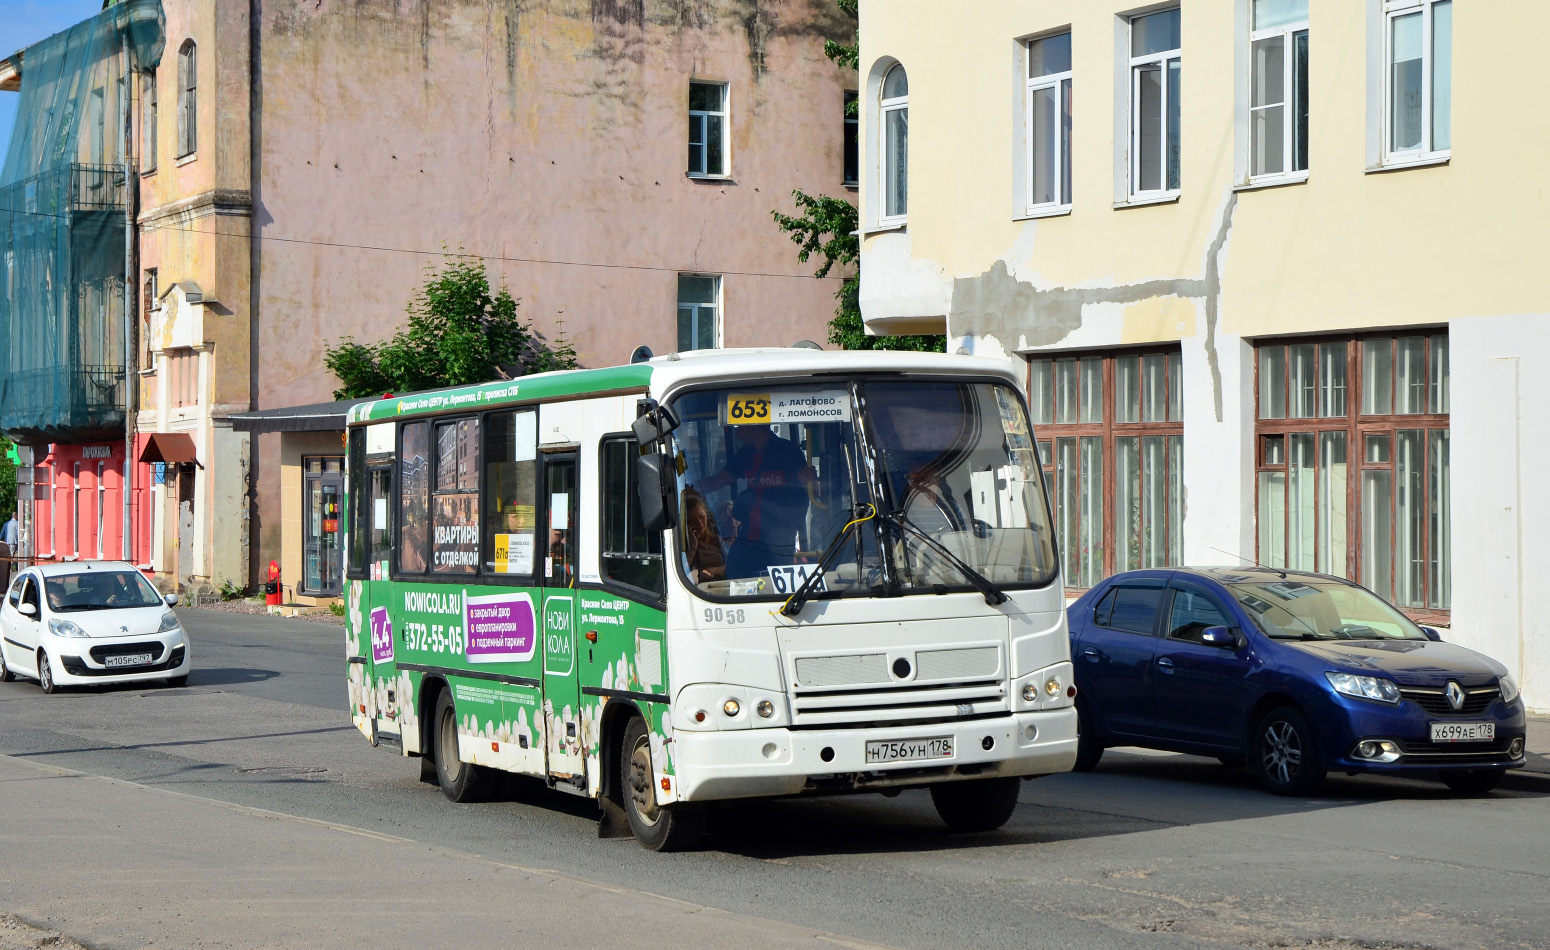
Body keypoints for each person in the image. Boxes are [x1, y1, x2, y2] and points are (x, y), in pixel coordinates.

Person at [692, 424, 814, 579]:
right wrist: (686, 488)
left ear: (754, 427)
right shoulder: (746, 455)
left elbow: (805, 486)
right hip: (749, 535)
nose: (737, 433)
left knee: (777, 582)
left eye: (740, 428)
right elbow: (719, 480)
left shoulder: (788, 451)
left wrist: (788, 525)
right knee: (735, 573)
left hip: (778, 539)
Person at [681, 493, 726, 584]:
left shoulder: (717, 540)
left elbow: (732, 565)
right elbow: (681, 571)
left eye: (702, 517)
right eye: (693, 521)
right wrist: (693, 547)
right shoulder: (682, 545)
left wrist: (712, 571)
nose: (700, 523)